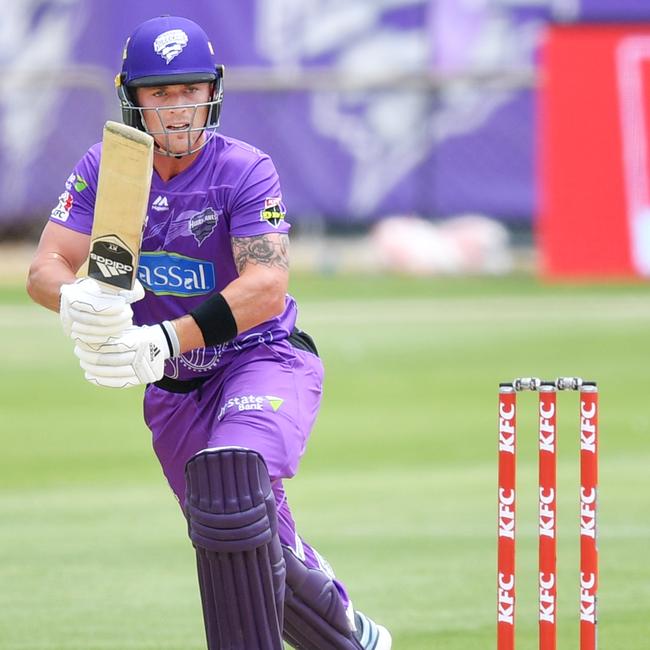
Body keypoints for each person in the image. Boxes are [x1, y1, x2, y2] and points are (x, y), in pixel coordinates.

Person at [26, 15, 391, 650]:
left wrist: (164, 339)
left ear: (213, 90)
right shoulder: (110, 168)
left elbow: (265, 286)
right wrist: (76, 299)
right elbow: (44, 268)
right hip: (171, 390)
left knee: (234, 480)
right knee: (241, 546)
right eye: (160, 93)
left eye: (190, 90)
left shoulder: (245, 169)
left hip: (261, 357)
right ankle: (353, 637)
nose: (177, 108)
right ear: (131, 97)